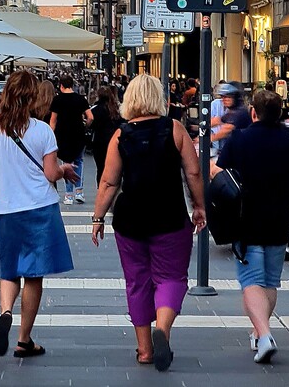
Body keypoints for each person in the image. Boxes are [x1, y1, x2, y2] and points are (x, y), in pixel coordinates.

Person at [91, 74, 206, 372]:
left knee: (137, 282)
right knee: (171, 277)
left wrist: (98, 217)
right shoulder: (175, 129)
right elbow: (193, 173)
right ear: (158, 97)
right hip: (169, 216)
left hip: (130, 219)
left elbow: (108, 181)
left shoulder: (121, 135)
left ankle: (145, 350)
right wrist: (199, 206)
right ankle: (163, 331)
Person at [0, 71, 77, 358]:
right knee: (33, 275)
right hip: (38, 208)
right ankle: (24, 340)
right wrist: (63, 170)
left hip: (6, 209)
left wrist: (6, 186)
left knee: (9, 269)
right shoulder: (42, 130)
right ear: (32, 97)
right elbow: (49, 173)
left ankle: (6, 311)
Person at [215, 89, 289, 365]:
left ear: (253, 113)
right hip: (279, 218)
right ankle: (258, 332)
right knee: (270, 282)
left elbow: (220, 171)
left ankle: (265, 335)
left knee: (250, 281)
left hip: (246, 218)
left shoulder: (240, 139)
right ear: (280, 113)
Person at [50, 74, 93, 205]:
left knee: (67, 162)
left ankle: (68, 195)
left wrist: (51, 136)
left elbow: (53, 121)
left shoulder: (57, 100)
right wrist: (85, 126)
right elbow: (90, 117)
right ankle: (79, 191)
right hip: (78, 134)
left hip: (62, 135)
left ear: (61, 85)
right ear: (72, 85)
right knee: (79, 161)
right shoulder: (80, 99)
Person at [89, 85, 121, 186]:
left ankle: (101, 186)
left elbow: (92, 125)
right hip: (113, 140)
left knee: (100, 167)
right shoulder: (115, 109)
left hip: (99, 141)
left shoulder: (95, 110)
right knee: (114, 166)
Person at [211, 82, 251, 147]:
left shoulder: (239, 112)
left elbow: (226, 131)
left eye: (228, 97)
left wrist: (206, 138)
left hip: (241, 152)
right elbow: (217, 120)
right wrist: (198, 126)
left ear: (236, 97)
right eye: (223, 97)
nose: (224, 99)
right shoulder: (231, 112)